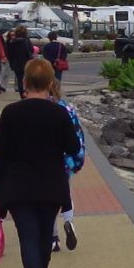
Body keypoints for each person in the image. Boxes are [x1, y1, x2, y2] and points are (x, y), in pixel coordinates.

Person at [0, 58, 80, 268]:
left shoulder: (10, 113)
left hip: (18, 186)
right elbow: (73, 147)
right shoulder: (59, 113)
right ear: (51, 83)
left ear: (24, 82)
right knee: (44, 236)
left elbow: (2, 153)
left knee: (27, 236)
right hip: (51, 184)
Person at [51, 76, 86, 252]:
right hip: (66, 163)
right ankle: (69, 222)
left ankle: (53, 238)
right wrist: (77, 162)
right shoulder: (67, 109)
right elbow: (78, 136)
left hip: (47, 163)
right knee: (66, 194)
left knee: (48, 200)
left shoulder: (41, 109)